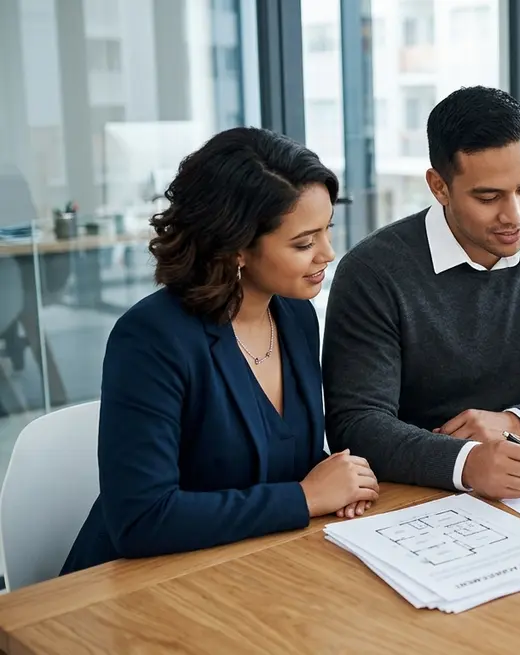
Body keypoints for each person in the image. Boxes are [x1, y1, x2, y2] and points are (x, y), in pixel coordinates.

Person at [61, 127, 379, 575]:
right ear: (236, 248)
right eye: (304, 243)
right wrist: (306, 498)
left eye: (327, 230)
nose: (328, 252)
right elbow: (142, 519)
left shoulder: (295, 316)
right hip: (139, 588)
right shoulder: (151, 338)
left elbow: (279, 456)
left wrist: (336, 480)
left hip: (249, 566)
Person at [322, 86, 520, 500]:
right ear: (439, 187)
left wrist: (516, 422)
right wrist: (467, 461)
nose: (514, 215)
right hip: (408, 497)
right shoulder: (372, 272)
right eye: (488, 197)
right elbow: (357, 425)